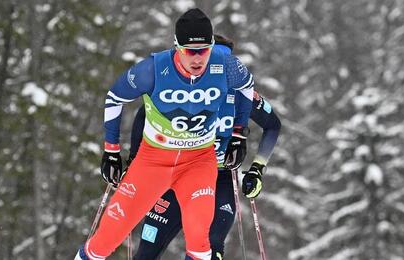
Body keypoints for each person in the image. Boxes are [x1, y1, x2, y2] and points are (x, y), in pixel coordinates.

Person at [74, 8, 255, 260]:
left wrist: (239, 134)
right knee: (105, 240)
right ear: (177, 46)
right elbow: (115, 98)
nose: (197, 58)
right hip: (153, 162)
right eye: (190, 51)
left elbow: (247, 87)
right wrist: (111, 151)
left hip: (199, 163)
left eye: (203, 50)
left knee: (200, 243)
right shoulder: (154, 69)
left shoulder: (225, 65)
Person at [131, 37, 282, 260]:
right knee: (146, 252)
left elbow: (273, 125)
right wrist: (135, 160)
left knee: (209, 250)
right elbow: (145, 112)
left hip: (219, 179)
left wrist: (257, 169)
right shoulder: (184, 86)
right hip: (177, 175)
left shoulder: (242, 92)